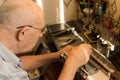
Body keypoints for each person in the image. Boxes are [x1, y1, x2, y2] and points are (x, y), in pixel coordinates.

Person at [0, 0, 92, 80]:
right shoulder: (8, 75)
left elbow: (18, 63)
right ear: (23, 33)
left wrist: (57, 55)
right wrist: (72, 64)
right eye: (40, 30)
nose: (41, 35)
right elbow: (11, 71)